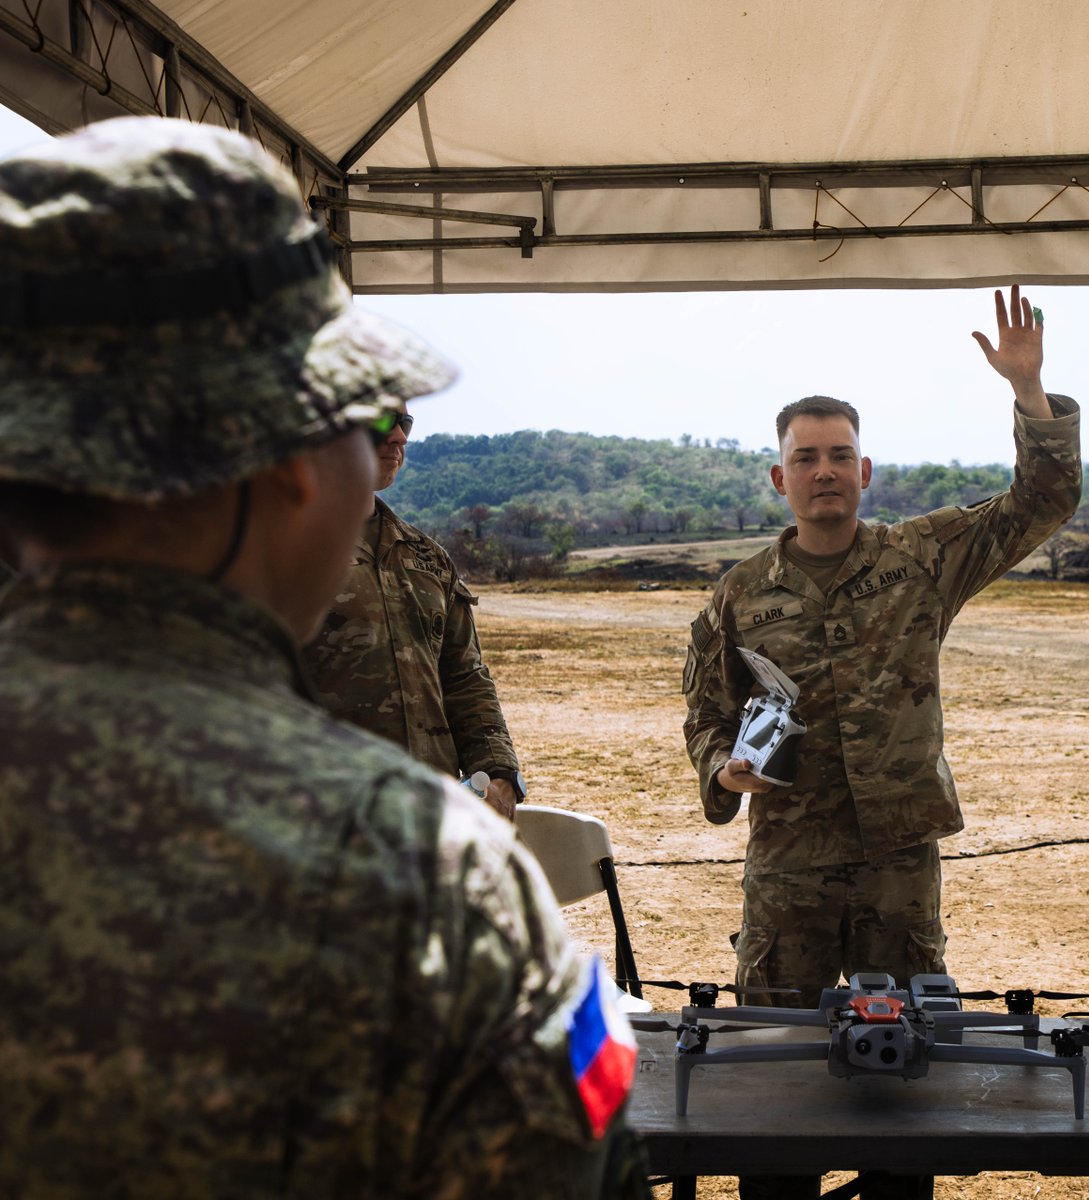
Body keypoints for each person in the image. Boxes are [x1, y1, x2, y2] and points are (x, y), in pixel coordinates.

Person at [0, 116, 646, 1200]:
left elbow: (465, 683)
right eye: (357, 416)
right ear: (293, 460)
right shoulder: (431, 886)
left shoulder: (425, 593)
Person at [682, 286, 1081, 1200]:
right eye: (805, 458)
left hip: (900, 865)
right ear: (777, 478)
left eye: (841, 457)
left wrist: (1029, 392)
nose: (824, 471)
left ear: (867, 474)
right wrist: (722, 767)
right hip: (787, 866)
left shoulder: (922, 559)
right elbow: (705, 715)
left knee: (905, 1085)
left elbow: (1043, 498)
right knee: (774, 1089)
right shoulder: (739, 595)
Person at [303, 404, 525, 820]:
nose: (400, 437)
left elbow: (464, 676)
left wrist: (496, 771)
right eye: (383, 421)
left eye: (404, 423)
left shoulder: (425, 557)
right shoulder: (277, 553)